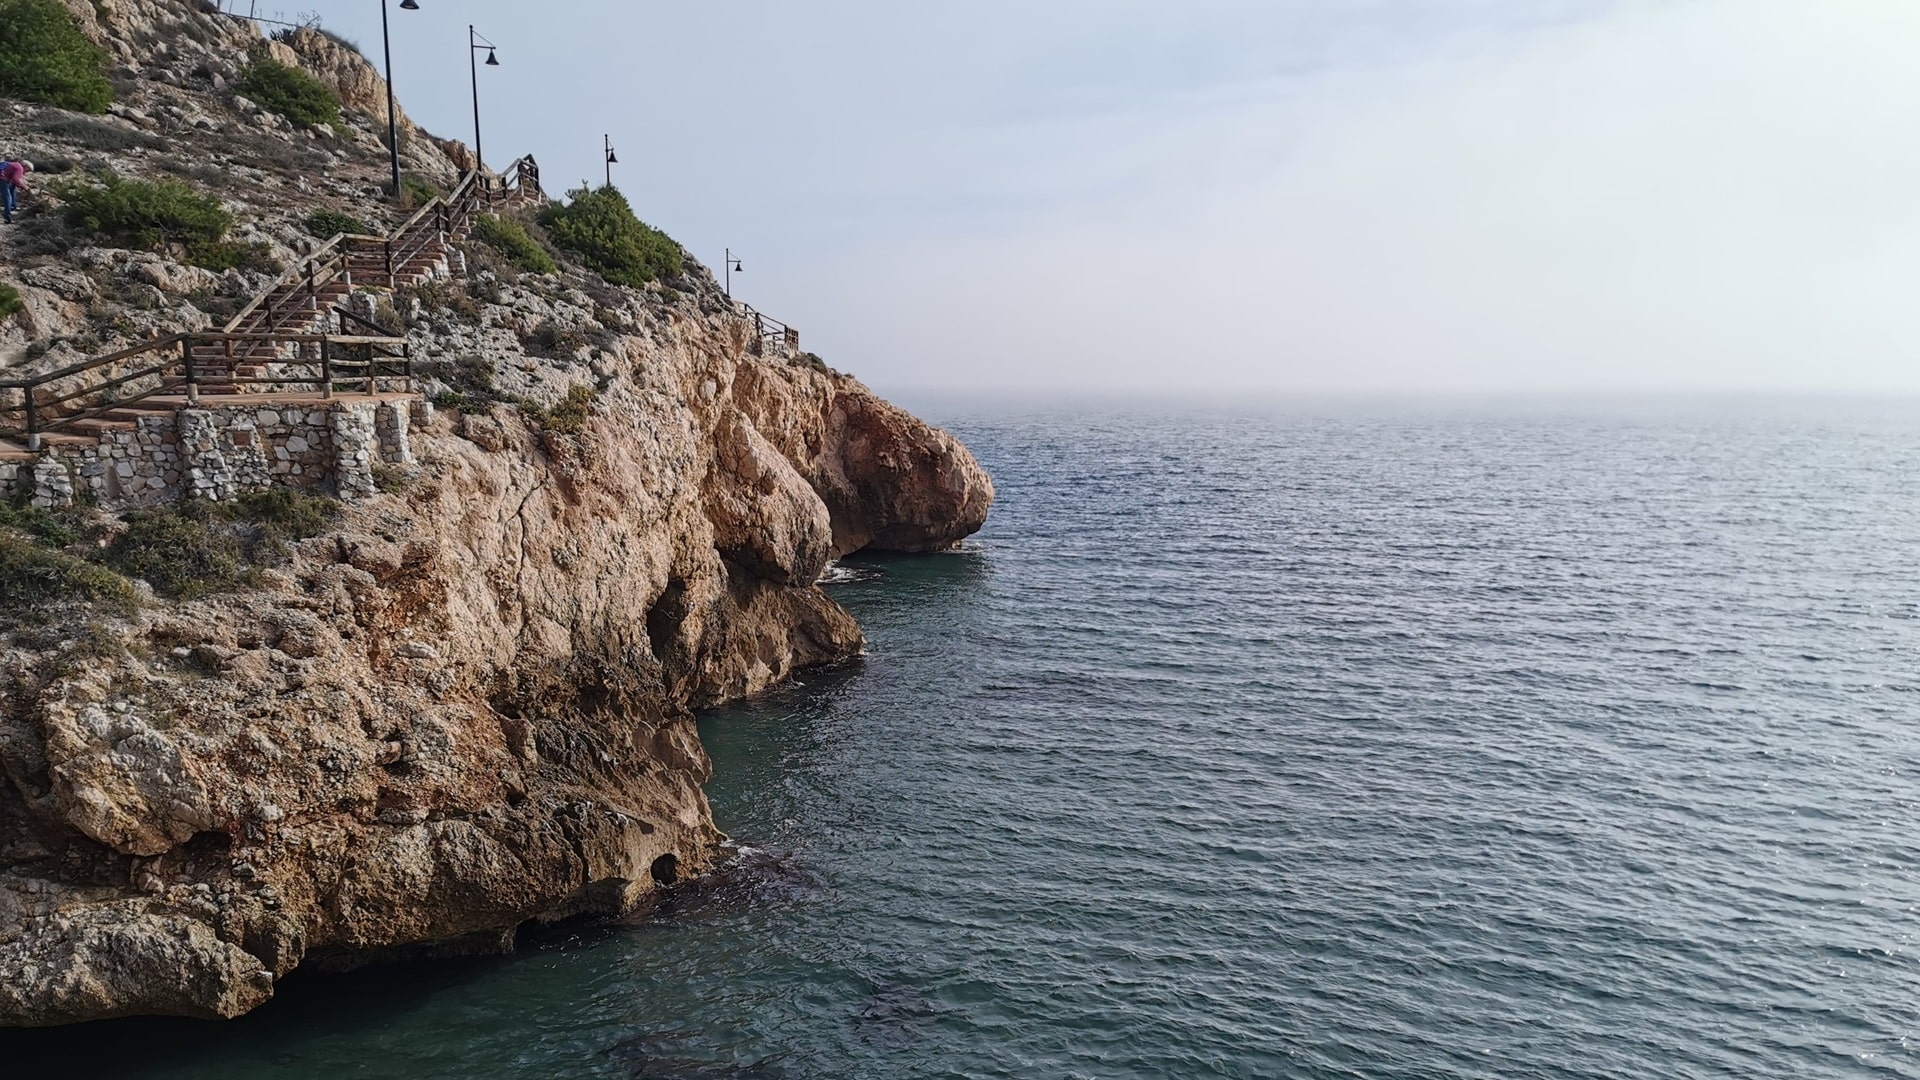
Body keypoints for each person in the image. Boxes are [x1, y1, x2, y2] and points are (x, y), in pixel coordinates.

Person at [0, 159, 31, 225]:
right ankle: (8, 216)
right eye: (29, 169)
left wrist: (21, 186)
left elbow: (14, 181)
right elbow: (16, 179)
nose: (28, 171)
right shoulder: (20, 168)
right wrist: (24, 187)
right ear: (26, 166)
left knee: (12, 189)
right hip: (2, 179)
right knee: (7, 197)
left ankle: (12, 206)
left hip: (3, 179)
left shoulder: (16, 165)